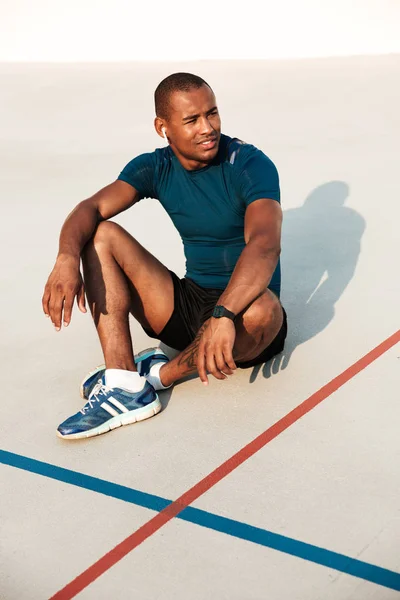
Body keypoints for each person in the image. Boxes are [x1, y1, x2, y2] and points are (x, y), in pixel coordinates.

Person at [42, 72, 287, 440]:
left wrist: (224, 313)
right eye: (192, 120)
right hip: (188, 302)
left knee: (265, 310)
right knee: (100, 235)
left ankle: (157, 377)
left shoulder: (250, 165)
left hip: (243, 313)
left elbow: (264, 245)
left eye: (213, 113)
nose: (208, 128)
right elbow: (91, 207)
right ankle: (124, 381)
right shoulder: (155, 167)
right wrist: (65, 258)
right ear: (163, 127)